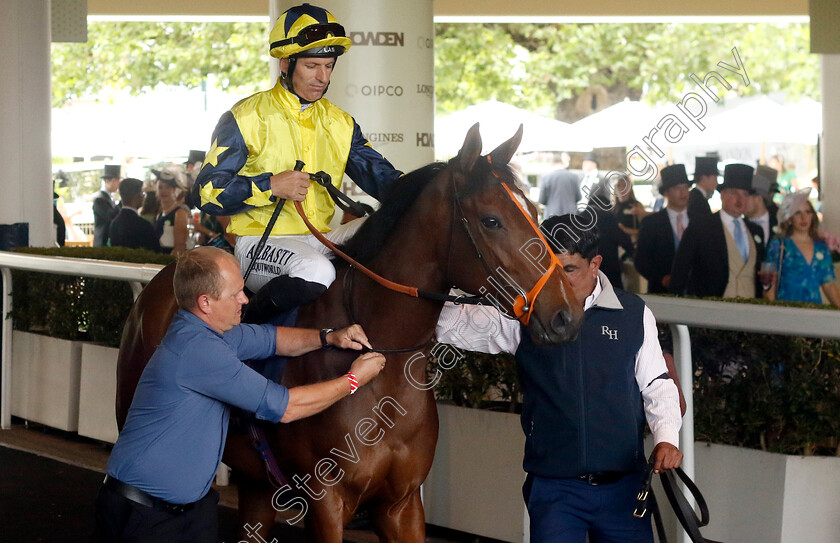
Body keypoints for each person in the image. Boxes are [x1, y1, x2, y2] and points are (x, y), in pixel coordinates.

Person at [93, 246, 386, 542]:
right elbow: (286, 407)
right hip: (143, 516)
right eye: (235, 294)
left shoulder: (212, 333)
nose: (245, 299)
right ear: (205, 302)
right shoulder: (200, 351)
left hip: (189, 510)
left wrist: (328, 336)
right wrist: (353, 380)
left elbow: (273, 340)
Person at [436, 214, 682, 543]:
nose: (559, 280)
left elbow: (656, 384)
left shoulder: (634, 313)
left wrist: (667, 438)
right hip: (555, 489)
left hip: (624, 490)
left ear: (595, 264)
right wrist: (454, 268)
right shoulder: (524, 312)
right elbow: (446, 324)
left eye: (568, 269)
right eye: (549, 268)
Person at [194, 3, 402, 321]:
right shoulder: (244, 116)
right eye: (312, 66)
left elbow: (384, 179)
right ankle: (244, 327)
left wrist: (435, 188)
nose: (322, 77)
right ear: (285, 64)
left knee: (390, 230)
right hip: (259, 243)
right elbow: (206, 192)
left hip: (320, 238)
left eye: (329, 66)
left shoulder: (341, 122)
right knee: (317, 271)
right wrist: (270, 185)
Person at [670, 164, 766, 299]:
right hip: (711, 310)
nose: (740, 199)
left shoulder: (756, 231)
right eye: (734, 193)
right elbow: (680, 271)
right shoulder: (701, 227)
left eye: (744, 194)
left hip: (750, 311)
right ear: (723, 195)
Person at [762, 190, 840, 306]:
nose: (804, 217)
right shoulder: (779, 244)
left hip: (814, 311)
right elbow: (769, 284)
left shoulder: (821, 247)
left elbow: (829, 284)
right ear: (789, 218)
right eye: (798, 213)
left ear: (812, 215)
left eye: (807, 212)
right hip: (786, 310)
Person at [634, 164, 691, 294]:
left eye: (686, 188)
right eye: (677, 188)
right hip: (662, 293)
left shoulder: (699, 221)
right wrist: (661, 278)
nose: (683, 193)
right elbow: (641, 260)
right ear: (666, 192)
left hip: (695, 293)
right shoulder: (652, 223)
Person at [108, 178, 161, 252]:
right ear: (137, 196)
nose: (143, 197)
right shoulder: (144, 225)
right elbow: (155, 252)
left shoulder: (114, 223)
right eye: (142, 193)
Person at [154, 167, 191, 256]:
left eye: (167, 187)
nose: (163, 191)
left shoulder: (179, 213)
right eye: (160, 187)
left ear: (173, 189)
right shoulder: (159, 213)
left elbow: (180, 246)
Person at [538, 152, 580, 219]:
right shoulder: (574, 177)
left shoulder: (545, 178)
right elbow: (578, 197)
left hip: (551, 216)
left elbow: (542, 200)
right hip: (571, 216)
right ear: (562, 163)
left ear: (552, 163)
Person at [744, 165, 779, 245]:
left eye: (746, 196)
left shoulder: (780, 222)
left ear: (758, 199)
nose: (742, 201)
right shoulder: (740, 225)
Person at [93, 164, 122, 246]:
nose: (118, 184)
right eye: (116, 180)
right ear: (107, 181)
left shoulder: (110, 197)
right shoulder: (99, 199)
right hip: (103, 243)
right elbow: (111, 216)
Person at [686, 155, 718, 220]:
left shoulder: (695, 196)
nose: (716, 183)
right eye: (715, 178)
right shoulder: (698, 201)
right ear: (704, 178)